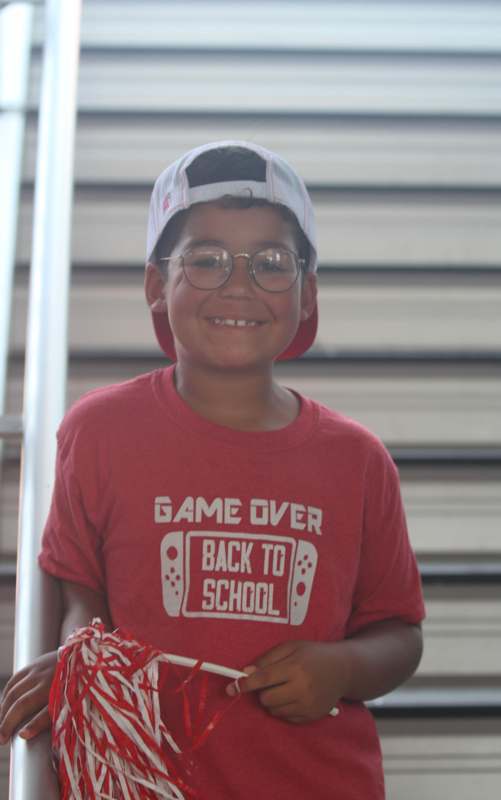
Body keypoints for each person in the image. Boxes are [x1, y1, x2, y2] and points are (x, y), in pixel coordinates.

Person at [0, 140, 425, 798]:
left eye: (270, 263)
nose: (237, 284)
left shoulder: (357, 459)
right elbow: (79, 590)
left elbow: (399, 634)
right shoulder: (99, 430)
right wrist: (80, 658)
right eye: (205, 259)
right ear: (154, 285)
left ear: (306, 295)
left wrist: (340, 669)